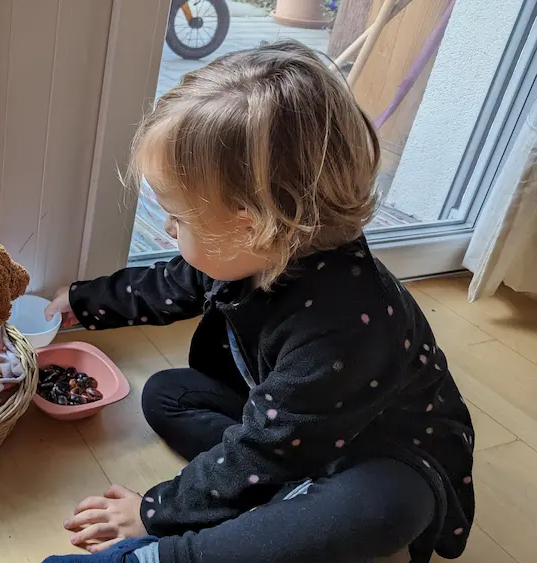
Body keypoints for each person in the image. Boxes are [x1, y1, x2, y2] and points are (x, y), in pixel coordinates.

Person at [42, 40, 474, 563]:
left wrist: (155, 512)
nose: (170, 229)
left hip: (382, 457)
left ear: (253, 225)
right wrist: (85, 303)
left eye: (177, 218)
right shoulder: (256, 251)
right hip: (298, 432)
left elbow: (270, 447)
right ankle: (283, 506)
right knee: (165, 394)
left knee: (384, 508)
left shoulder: (346, 325)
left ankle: (171, 555)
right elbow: (172, 284)